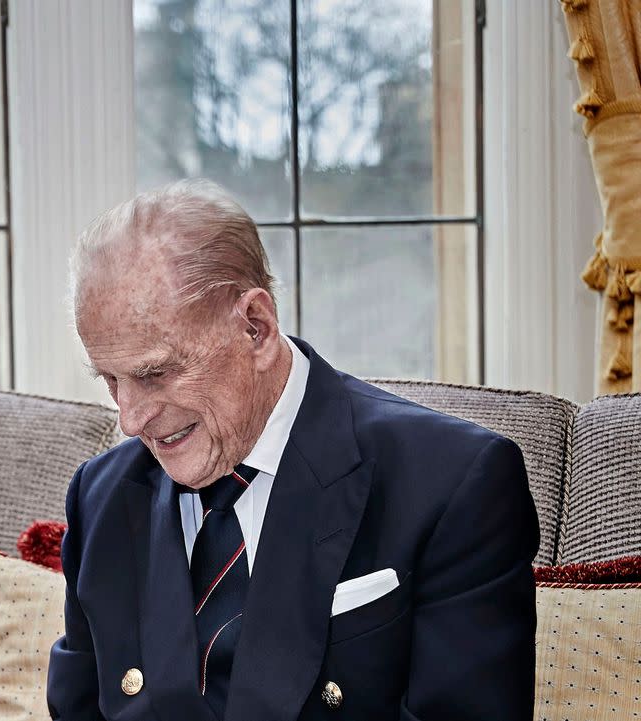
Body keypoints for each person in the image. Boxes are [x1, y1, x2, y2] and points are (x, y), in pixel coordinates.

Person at [46, 180, 537, 720]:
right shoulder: (100, 498)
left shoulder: (454, 484)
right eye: (111, 379)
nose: (131, 419)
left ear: (256, 327)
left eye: (155, 373)